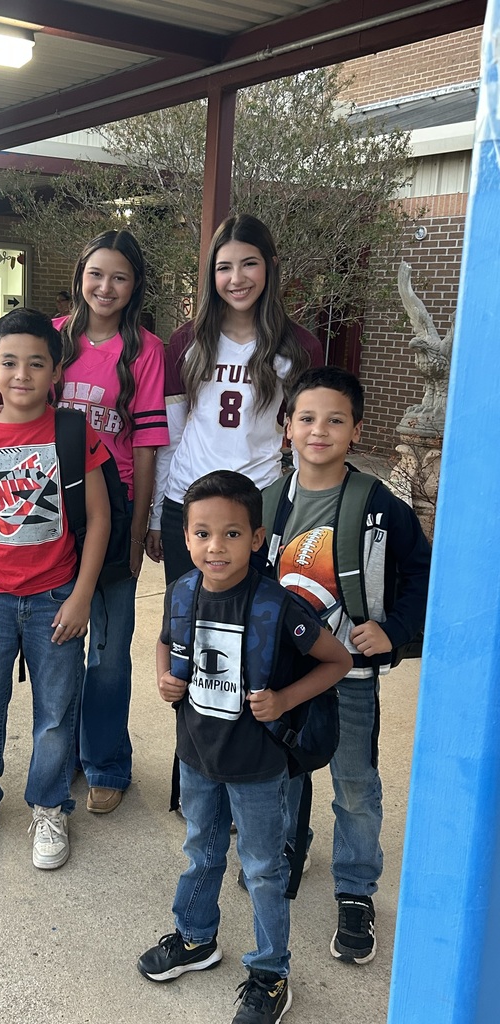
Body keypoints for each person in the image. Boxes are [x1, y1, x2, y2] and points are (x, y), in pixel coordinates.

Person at [138, 471, 351, 1024]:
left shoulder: (276, 607)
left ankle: (271, 973)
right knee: (200, 851)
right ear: (186, 537)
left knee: (261, 868)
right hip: (197, 754)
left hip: (257, 766)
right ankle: (195, 937)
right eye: (202, 533)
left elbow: (338, 661)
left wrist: (284, 700)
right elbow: (164, 642)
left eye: (231, 534)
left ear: (256, 538)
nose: (216, 546)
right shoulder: (182, 592)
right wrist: (164, 677)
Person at [0, 308, 110, 869]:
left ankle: (49, 806)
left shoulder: (73, 433)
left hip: (56, 599)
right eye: (9, 362)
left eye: (36, 363)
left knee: (55, 712)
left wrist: (81, 596)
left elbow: (99, 518)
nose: (22, 374)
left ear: (55, 371)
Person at [263, 366, 431, 965]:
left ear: (356, 430)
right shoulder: (267, 502)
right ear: (287, 426)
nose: (319, 430)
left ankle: (356, 888)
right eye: (307, 418)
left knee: (355, 783)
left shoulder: (379, 504)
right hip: (286, 674)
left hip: (352, 675)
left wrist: (394, 630)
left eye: (335, 420)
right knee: (285, 771)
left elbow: (421, 571)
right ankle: (289, 846)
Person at [54, 230, 169, 813]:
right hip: (49, 503)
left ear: (134, 285)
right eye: (96, 273)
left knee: (109, 647)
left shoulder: (145, 350)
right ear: (80, 275)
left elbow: (147, 446)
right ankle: (64, 754)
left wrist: (140, 524)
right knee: (58, 643)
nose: (105, 286)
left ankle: (105, 760)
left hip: (115, 503)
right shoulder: (52, 337)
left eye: (119, 277)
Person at [147, 214, 323, 585]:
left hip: (258, 503)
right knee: (185, 613)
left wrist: (302, 512)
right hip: (188, 501)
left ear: (271, 266)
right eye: (224, 267)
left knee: (252, 615)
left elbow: (307, 440)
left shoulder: (299, 347)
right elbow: (171, 438)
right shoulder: (186, 342)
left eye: (249, 264)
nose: (237, 279)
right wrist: (158, 514)